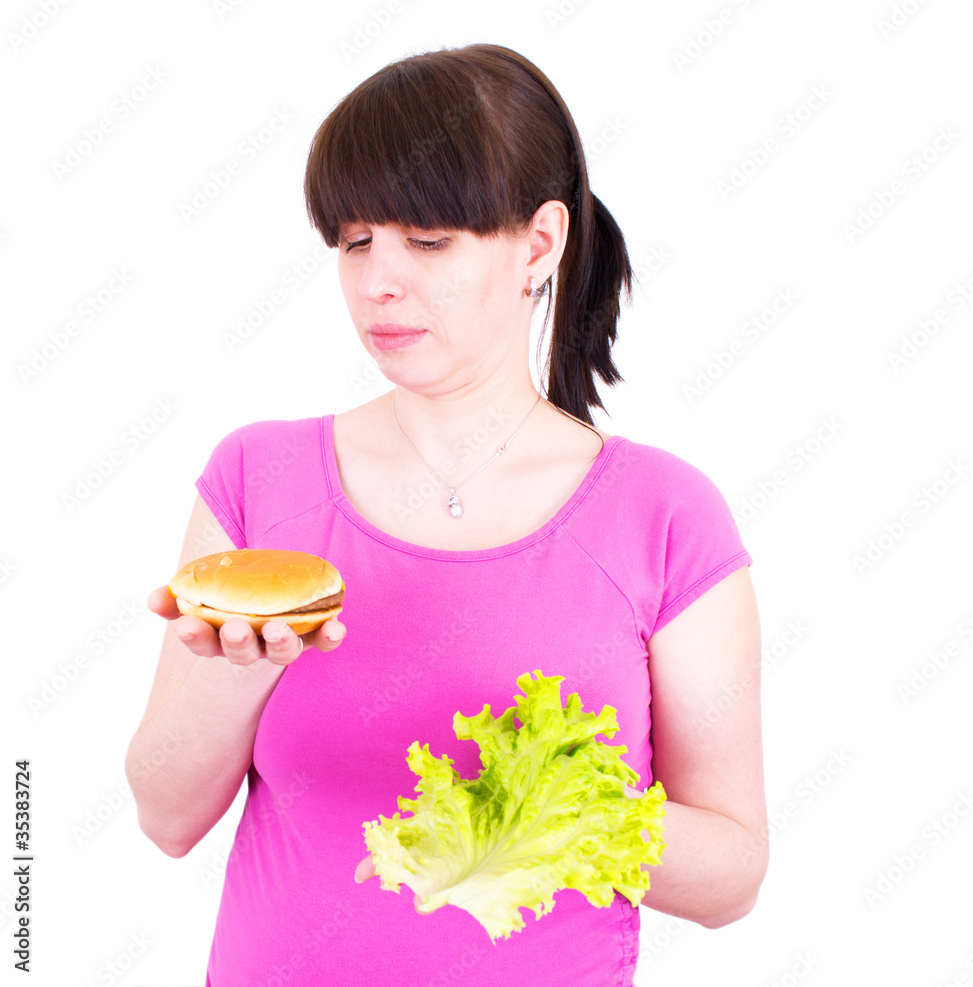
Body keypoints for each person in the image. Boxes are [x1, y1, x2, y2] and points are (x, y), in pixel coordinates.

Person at [125, 42, 767, 986]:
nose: (378, 281)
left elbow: (734, 874)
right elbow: (165, 816)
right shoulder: (258, 477)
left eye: (428, 241)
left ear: (538, 243)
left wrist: (580, 814)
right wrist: (236, 667)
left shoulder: (665, 515)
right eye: (354, 241)